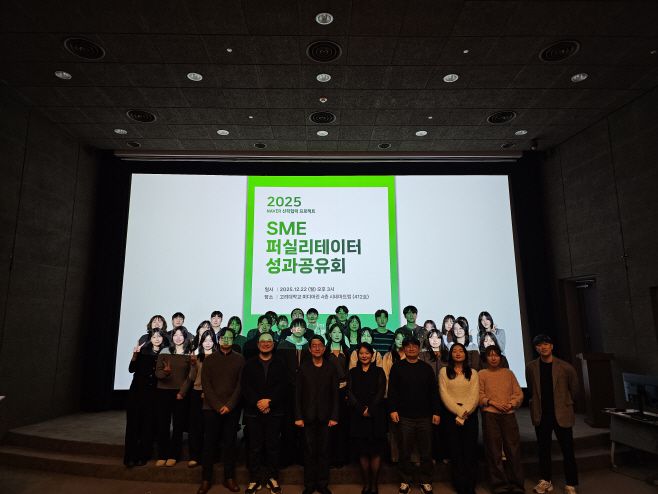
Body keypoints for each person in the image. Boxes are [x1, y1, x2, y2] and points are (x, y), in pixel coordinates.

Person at [526, 334, 579, 494]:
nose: (543, 347)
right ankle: (545, 481)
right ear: (536, 349)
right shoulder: (531, 367)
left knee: (567, 449)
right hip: (542, 413)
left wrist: (565, 402)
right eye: (539, 345)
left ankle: (571, 483)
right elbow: (531, 389)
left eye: (546, 344)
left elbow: (574, 389)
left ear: (551, 346)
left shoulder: (565, 367)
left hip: (562, 412)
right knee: (543, 449)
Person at [388, 336, 441, 494]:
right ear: (404, 349)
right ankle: (405, 480)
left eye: (414, 346)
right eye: (408, 346)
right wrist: (392, 409)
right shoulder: (397, 367)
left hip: (425, 416)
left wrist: (436, 412)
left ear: (419, 349)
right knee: (405, 451)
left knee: (426, 451)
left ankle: (426, 481)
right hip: (404, 417)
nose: (411, 349)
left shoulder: (426, 368)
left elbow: (433, 392)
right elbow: (392, 391)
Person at [197, 328, 244, 494]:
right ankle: (206, 479)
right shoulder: (209, 359)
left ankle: (229, 478)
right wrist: (217, 405)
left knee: (230, 444)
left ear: (234, 340)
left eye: (230, 338)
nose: (226, 340)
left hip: (232, 409)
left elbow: (240, 385)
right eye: (224, 337)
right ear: (219, 339)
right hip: (211, 408)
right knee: (209, 444)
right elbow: (206, 384)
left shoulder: (240, 359)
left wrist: (229, 405)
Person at [241, 333, 286, 494]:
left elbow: (283, 387)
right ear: (258, 344)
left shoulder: (280, 363)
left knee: (273, 447)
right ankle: (254, 479)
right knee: (255, 447)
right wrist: (258, 403)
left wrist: (269, 402)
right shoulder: (249, 364)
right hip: (254, 412)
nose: (266, 344)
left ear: (273, 344)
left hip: (274, 412)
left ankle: (273, 478)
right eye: (263, 341)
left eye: (269, 341)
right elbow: (245, 387)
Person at [295, 335, 339, 494]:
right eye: (314, 345)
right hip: (307, 417)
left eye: (320, 345)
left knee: (324, 451)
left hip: (326, 417)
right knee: (309, 451)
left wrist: (334, 416)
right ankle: (309, 484)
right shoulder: (303, 368)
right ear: (309, 349)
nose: (317, 348)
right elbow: (297, 394)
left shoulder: (331, 367)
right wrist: (298, 416)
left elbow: (335, 394)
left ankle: (322, 484)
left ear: (324, 348)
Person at [479, 345, 524, 494]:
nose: (493, 358)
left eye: (496, 355)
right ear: (486, 358)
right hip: (490, 415)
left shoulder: (508, 373)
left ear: (500, 357)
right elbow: (479, 395)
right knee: (494, 451)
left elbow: (518, 393)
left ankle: (517, 484)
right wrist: (493, 403)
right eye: (490, 355)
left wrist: (511, 404)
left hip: (508, 414)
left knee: (513, 449)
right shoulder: (482, 374)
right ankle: (499, 485)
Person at [439, 343, 480, 494]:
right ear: (450, 354)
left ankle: (470, 486)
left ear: (465, 354)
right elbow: (444, 394)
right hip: (451, 416)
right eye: (454, 351)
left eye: (461, 351)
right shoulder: (444, 372)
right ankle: (460, 486)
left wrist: (463, 413)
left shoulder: (473, 373)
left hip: (470, 416)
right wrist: (459, 412)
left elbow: (474, 396)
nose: (458, 353)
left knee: (470, 451)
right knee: (455, 452)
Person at [347, 343, 387, 494]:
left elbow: (381, 391)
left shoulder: (379, 371)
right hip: (358, 416)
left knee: (375, 452)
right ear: (358, 356)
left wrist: (370, 409)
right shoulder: (352, 372)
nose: (364, 356)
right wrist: (360, 409)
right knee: (363, 452)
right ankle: (366, 484)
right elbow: (349, 392)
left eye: (367, 353)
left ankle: (374, 484)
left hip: (375, 416)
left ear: (372, 355)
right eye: (361, 353)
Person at [124, 329, 164, 467]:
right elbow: (131, 369)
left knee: (148, 425)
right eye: (154, 336)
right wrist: (134, 356)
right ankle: (130, 456)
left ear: (163, 339)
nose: (157, 339)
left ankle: (143, 456)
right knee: (133, 424)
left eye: (159, 336)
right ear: (150, 339)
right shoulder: (142, 351)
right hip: (137, 392)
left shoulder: (165, 353)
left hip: (153, 394)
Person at [154, 326, 192, 467]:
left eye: (181, 335)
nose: (178, 337)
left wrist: (182, 392)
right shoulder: (164, 351)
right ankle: (162, 454)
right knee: (163, 425)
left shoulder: (189, 353)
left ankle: (173, 455)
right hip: (163, 392)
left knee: (178, 425)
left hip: (180, 393)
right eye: (175, 335)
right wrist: (166, 373)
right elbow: (158, 373)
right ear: (172, 337)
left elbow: (190, 376)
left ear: (185, 337)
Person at [181, 329, 216, 468]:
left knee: (210, 427)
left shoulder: (218, 357)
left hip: (212, 395)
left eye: (210, 340)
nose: (207, 343)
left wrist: (209, 392)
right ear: (201, 342)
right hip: (197, 393)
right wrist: (193, 365)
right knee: (195, 426)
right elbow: (191, 377)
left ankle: (209, 456)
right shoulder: (197, 357)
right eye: (205, 340)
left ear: (214, 342)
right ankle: (194, 456)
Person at [278, 318, 310, 467]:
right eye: (295, 326)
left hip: (305, 392)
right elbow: (280, 369)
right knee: (287, 426)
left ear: (305, 330)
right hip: (288, 392)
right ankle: (287, 457)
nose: (298, 329)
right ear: (291, 329)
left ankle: (302, 457)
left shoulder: (308, 345)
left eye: (301, 327)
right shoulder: (283, 344)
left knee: (304, 426)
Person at [418, 327, 449, 463]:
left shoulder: (447, 354)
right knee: (430, 427)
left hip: (447, 395)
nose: (435, 340)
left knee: (445, 426)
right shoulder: (423, 355)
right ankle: (432, 455)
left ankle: (445, 454)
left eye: (437, 337)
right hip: (428, 395)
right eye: (431, 337)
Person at [324, 324, 351, 468]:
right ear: (329, 334)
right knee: (329, 427)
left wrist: (346, 388)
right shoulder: (324, 351)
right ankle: (330, 458)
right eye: (334, 332)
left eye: (339, 332)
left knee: (342, 426)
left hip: (343, 392)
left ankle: (341, 458)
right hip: (328, 393)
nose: (336, 334)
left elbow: (350, 373)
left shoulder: (347, 351)